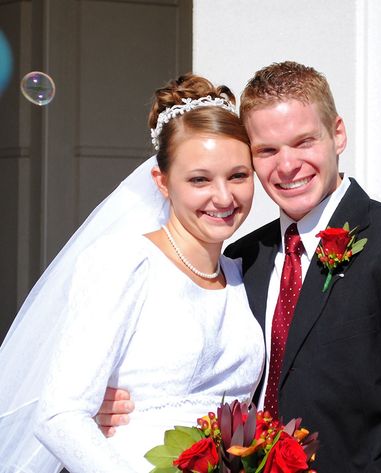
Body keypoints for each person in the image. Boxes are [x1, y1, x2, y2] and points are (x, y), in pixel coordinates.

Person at [99, 61, 381, 472]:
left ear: (337, 134)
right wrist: (118, 404)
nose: (286, 166)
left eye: (303, 142)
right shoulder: (239, 258)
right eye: (266, 150)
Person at [0, 74, 264, 473]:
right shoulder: (124, 262)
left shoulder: (242, 272)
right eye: (199, 179)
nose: (224, 197)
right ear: (162, 182)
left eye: (238, 176)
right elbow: (59, 416)